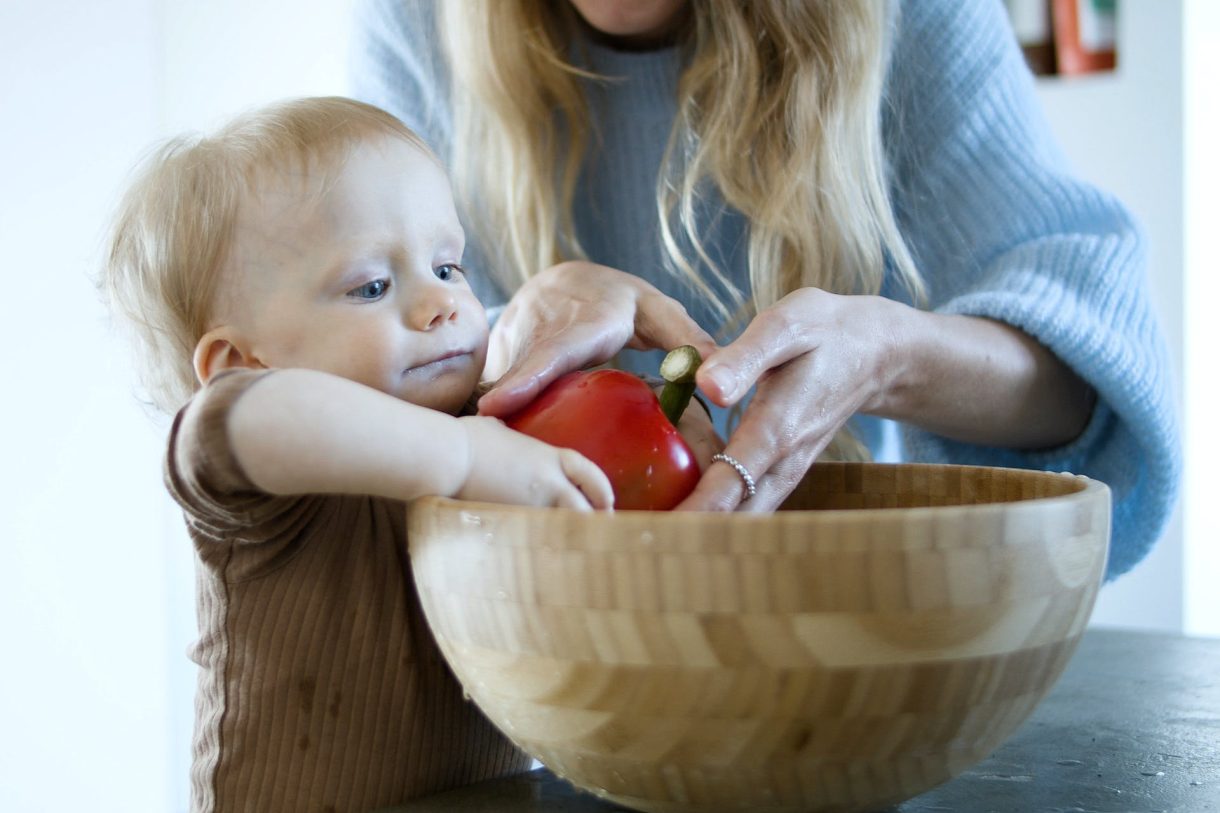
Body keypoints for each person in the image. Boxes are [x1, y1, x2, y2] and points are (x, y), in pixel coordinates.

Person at [350, 0, 1181, 580]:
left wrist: (891, 356)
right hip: (518, 653)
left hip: (832, 638)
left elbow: (1091, 380)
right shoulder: (419, 18)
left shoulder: (910, 13)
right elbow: (327, 378)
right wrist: (501, 333)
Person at [100, 96, 688, 812]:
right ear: (238, 361)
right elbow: (253, 414)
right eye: (372, 286)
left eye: (449, 266)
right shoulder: (250, 466)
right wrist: (465, 460)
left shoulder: (484, 426)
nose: (439, 305)